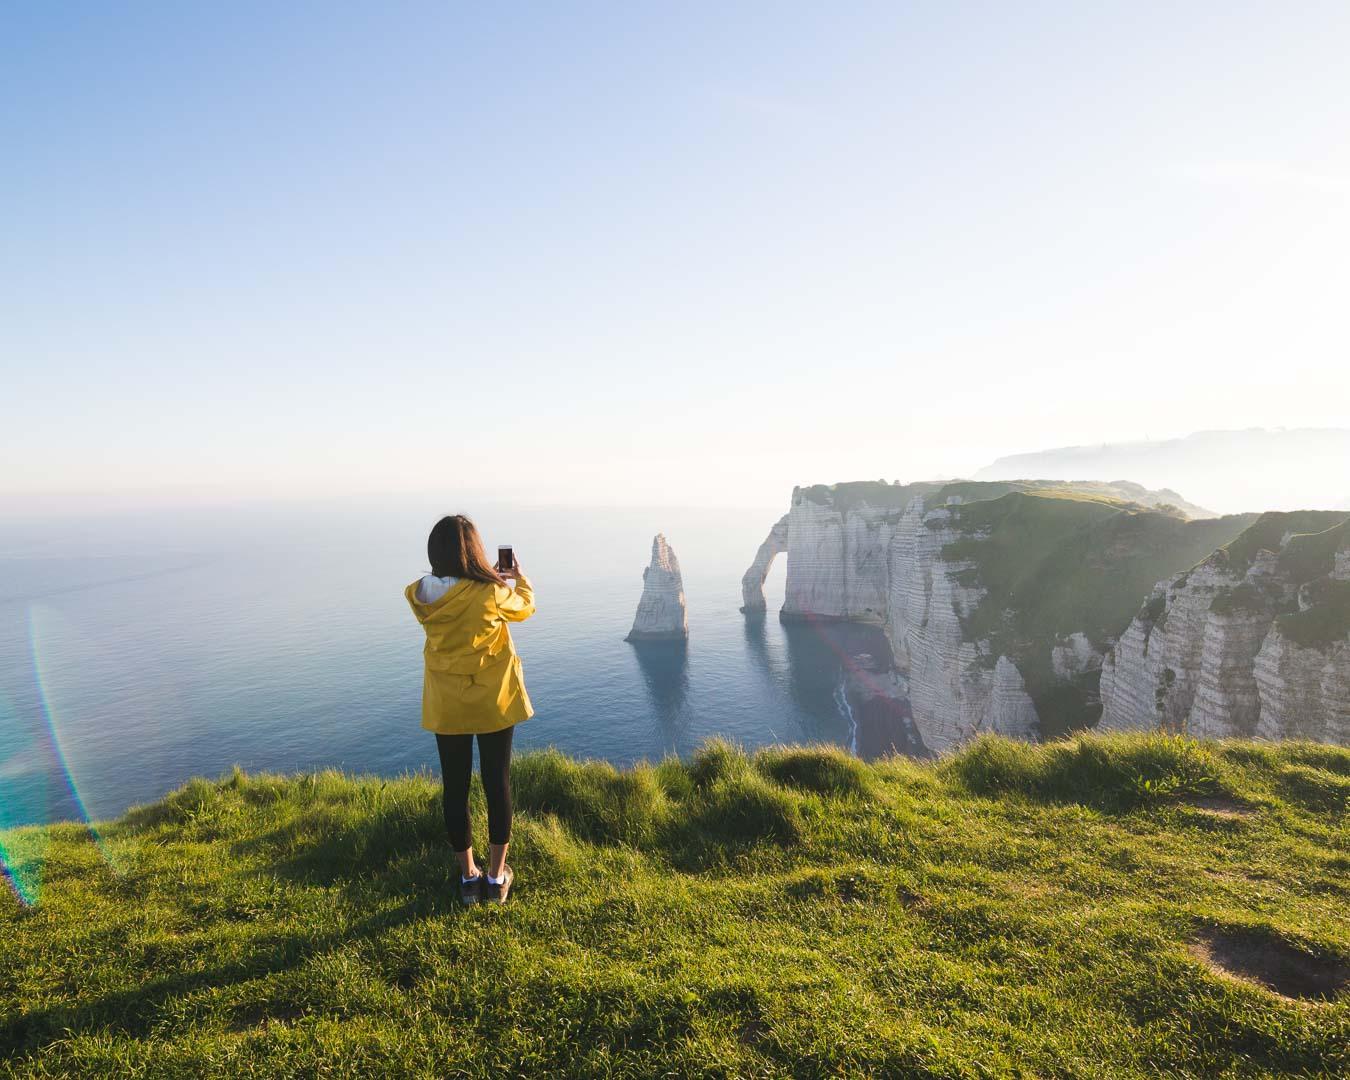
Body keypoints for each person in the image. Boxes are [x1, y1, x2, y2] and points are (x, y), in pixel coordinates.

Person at [406, 515, 534, 904]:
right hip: (493, 700)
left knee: (455, 789)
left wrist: (486, 581)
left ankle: (467, 876)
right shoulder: (490, 593)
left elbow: (451, 599)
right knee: (497, 783)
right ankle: (495, 878)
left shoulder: (420, 594)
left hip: (448, 705)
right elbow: (525, 607)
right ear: (474, 551)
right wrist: (514, 578)